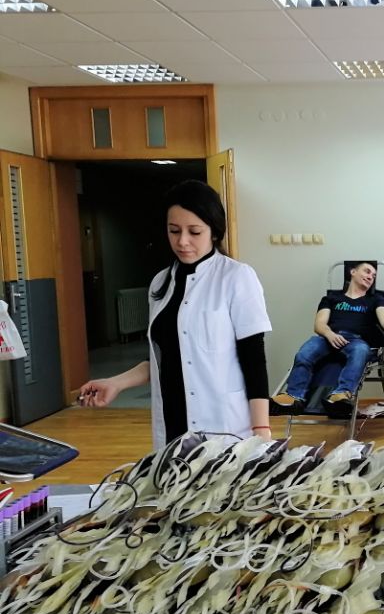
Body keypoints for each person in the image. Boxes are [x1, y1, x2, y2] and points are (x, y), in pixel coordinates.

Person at [78, 180, 272, 447]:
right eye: (174, 231)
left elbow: (254, 360)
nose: (182, 241)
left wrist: (261, 429)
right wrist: (116, 383)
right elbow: (164, 358)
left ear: (214, 232)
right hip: (171, 420)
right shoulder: (160, 283)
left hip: (223, 423)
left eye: (195, 232)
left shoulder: (237, 277)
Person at [270, 262, 384, 416]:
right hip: (328, 338)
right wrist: (329, 334)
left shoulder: (376, 298)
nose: (370, 277)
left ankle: (341, 395)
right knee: (305, 351)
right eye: (367, 271)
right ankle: (293, 397)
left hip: (356, 341)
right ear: (352, 272)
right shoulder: (331, 298)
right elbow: (319, 324)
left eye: (373, 276)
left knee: (360, 350)